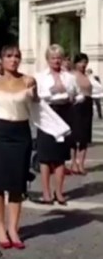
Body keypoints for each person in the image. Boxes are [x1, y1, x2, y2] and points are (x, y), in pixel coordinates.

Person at [0, 44, 36, 249]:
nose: (14, 60)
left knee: (17, 182)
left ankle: (13, 228)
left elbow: (38, 107)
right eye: (9, 56)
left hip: (21, 132)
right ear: (1, 60)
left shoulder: (28, 81)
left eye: (17, 56)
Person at [34, 44, 81, 205]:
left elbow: (78, 94)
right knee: (45, 156)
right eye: (53, 58)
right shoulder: (40, 76)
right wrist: (52, 90)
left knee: (61, 156)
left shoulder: (69, 77)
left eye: (59, 57)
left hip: (65, 112)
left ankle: (59, 192)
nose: (56, 61)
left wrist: (70, 96)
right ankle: (46, 193)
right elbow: (36, 97)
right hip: (47, 114)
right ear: (47, 59)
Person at [70, 53, 93, 175]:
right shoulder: (72, 76)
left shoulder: (87, 76)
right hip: (76, 106)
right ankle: (74, 163)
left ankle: (81, 164)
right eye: (81, 62)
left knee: (85, 136)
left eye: (85, 62)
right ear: (76, 63)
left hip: (87, 105)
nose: (83, 64)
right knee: (75, 136)